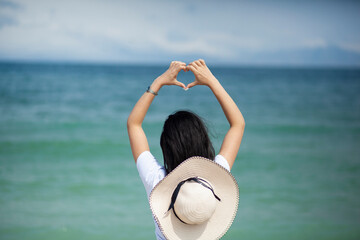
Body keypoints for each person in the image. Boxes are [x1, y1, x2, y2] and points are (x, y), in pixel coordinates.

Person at [127, 59, 245, 239]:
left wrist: (159, 82)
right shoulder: (214, 176)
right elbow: (238, 125)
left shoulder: (157, 180)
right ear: (204, 141)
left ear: (168, 147)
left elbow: (134, 124)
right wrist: (212, 81)